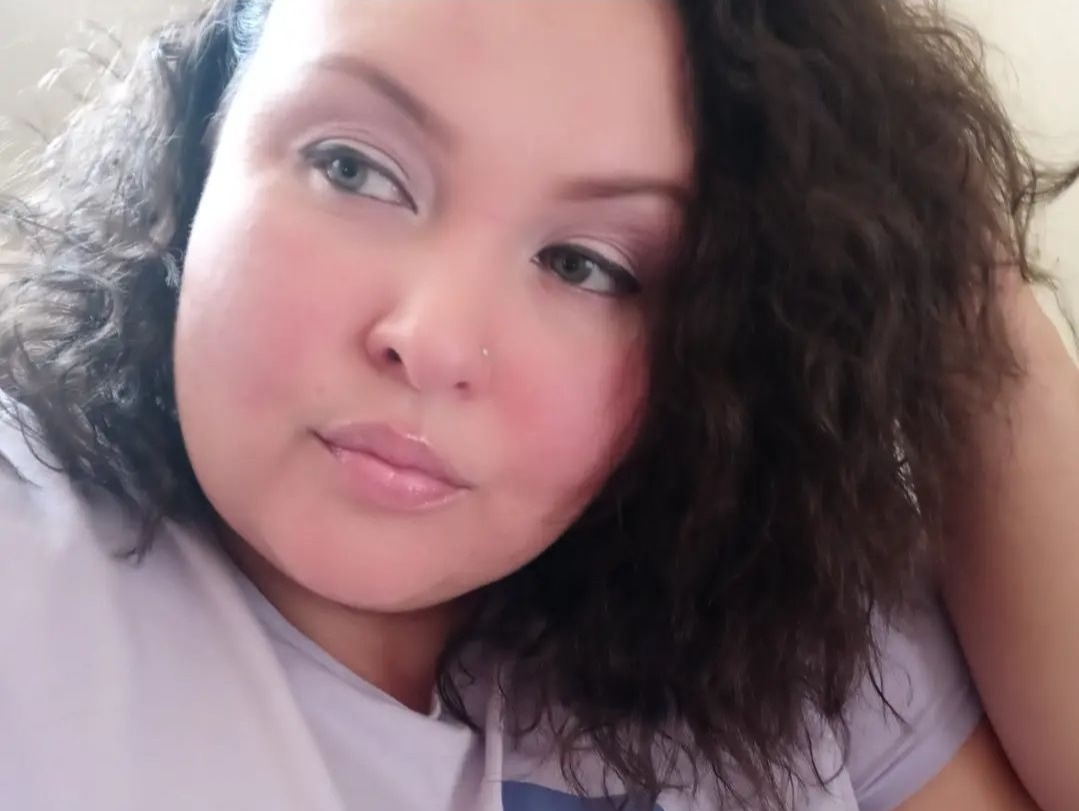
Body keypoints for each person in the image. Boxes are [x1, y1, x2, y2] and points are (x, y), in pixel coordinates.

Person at [0, 0, 1072, 808]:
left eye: (584, 265)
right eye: (353, 169)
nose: (430, 342)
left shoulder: (791, 629)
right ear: (204, 138)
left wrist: (934, 237)